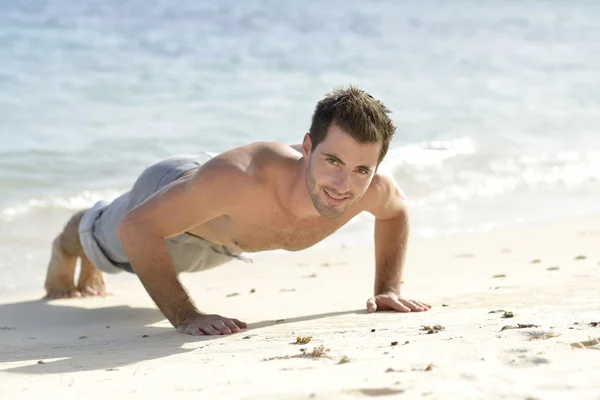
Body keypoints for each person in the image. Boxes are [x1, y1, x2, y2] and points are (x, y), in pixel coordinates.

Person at [43, 86, 431, 336]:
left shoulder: (372, 188)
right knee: (106, 243)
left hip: (223, 237)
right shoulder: (240, 180)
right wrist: (186, 316)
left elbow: (395, 212)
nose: (343, 185)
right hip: (179, 197)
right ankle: (68, 244)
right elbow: (136, 228)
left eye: (361, 169)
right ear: (308, 147)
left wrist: (387, 290)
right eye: (332, 161)